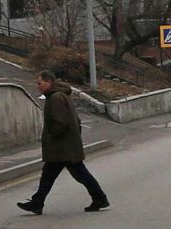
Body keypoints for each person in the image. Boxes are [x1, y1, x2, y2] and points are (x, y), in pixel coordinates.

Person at [18, 71, 110, 214]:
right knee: (51, 175)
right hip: (66, 146)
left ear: (48, 82)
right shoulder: (61, 95)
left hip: (62, 147)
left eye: (39, 83)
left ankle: (100, 198)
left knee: (78, 175)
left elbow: (60, 122)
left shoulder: (55, 98)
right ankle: (37, 202)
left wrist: (51, 136)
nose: (38, 86)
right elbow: (76, 120)